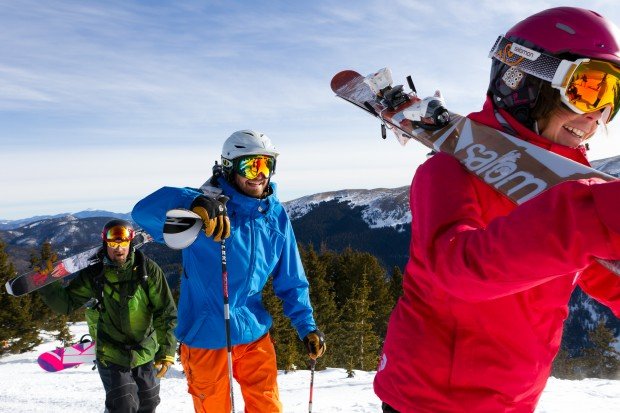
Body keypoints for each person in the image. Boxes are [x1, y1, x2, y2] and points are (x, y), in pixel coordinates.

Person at [373, 7, 620, 413]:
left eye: (613, 98)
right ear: (523, 79)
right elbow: (457, 269)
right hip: (431, 400)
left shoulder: (570, 187)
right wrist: (591, 214)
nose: (599, 114)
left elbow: (599, 266)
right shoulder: (449, 170)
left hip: (515, 400)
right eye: (589, 89)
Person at [132, 129, 326, 413]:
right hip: (206, 335)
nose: (260, 174)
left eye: (266, 164)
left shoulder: (275, 216)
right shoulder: (203, 211)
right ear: (229, 167)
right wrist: (193, 202)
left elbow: (291, 278)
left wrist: (306, 325)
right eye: (251, 165)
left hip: (254, 331)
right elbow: (142, 212)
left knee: (268, 407)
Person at [38, 219, 178, 413]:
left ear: (131, 242)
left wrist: (166, 351)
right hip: (112, 352)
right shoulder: (96, 274)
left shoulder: (147, 270)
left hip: (145, 349)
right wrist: (48, 283)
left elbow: (165, 311)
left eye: (123, 243)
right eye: (113, 244)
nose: (118, 249)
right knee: (124, 405)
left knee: (149, 402)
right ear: (105, 243)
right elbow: (67, 304)